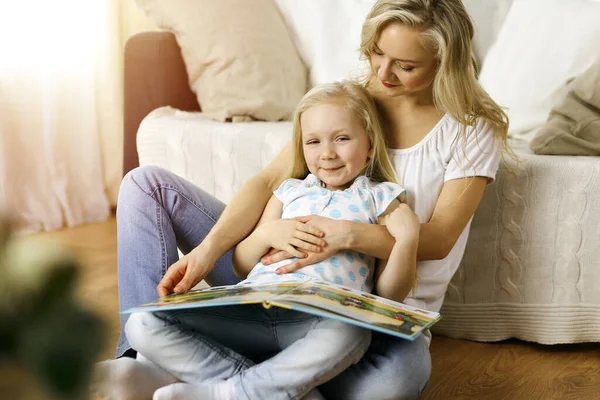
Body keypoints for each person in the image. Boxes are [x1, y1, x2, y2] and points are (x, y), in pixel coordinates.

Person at [105, 0, 509, 399]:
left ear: (444, 63)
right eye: (377, 53)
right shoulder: (352, 101)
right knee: (146, 186)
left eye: (405, 66)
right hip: (277, 276)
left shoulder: (472, 130)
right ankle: (144, 357)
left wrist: (347, 236)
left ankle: (213, 377)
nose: (382, 73)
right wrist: (209, 251)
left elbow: (437, 238)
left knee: (388, 388)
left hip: (374, 301)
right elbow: (268, 182)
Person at [116, 81, 419, 400]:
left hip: (318, 321)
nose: (327, 153)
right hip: (253, 305)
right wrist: (265, 234)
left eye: (342, 139)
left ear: (370, 144)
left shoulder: (382, 199)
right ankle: (265, 391)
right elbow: (241, 265)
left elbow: (389, 294)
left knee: (353, 330)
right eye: (313, 141)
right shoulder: (289, 190)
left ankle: (230, 394)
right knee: (142, 323)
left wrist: (408, 239)